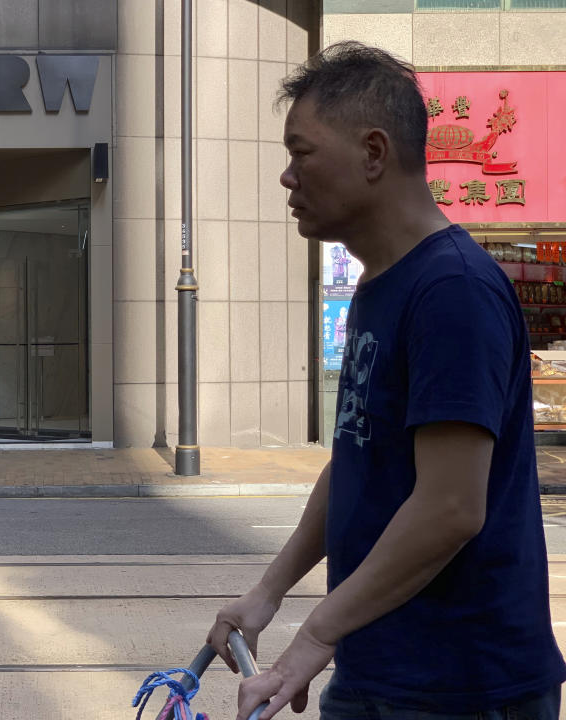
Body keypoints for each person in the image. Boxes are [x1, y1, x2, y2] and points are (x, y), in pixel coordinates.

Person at [207, 41, 565, 720]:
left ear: (374, 154)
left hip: (461, 688)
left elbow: (451, 507)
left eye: (301, 153)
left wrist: (314, 636)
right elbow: (358, 460)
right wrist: (270, 590)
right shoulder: (382, 286)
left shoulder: (451, 291)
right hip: (384, 670)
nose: (287, 178)